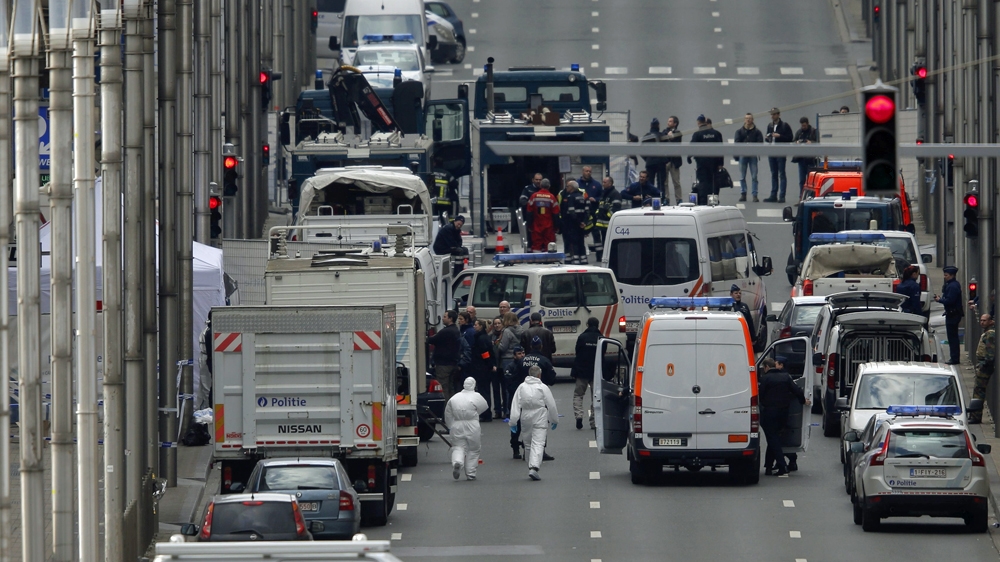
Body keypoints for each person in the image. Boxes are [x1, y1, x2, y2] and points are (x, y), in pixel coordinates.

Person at [758, 356, 807, 477]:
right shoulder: (785, 377)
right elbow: (797, 391)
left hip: (769, 413)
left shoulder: (766, 378)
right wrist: (803, 401)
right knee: (774, 439)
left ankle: (782, 465)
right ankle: (769, 467)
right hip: (783, 413)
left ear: (767, 367)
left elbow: (760, 396)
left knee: (772, 438)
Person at [509, 365, 559, 481]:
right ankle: (534, 467)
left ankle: (530, 464)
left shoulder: (521, 387)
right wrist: (554, 420)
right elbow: (551, 405)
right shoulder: (542, 387)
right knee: (538, 442)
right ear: (539, 375)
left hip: (525, 416)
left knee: (527, 442)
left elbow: (515, 405)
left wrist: (513, 422)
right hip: (540, 415)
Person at [444, 377, 488, 480]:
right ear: (474, 385)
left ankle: (457, 462)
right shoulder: (476, 396)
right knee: (474, 449)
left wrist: (450, 426)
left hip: (457, 424)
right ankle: (471, 473)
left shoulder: (454, 398)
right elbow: (484, 407)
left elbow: (448, 414)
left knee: (458, 447)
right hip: (472, 424)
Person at [572, 317, 601, 430]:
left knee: (578, 395)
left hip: (581, 370)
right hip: (596, 371)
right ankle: (594, 421)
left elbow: (577, 351)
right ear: (598, 325)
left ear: (587, 325)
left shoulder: (582, 337)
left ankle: (579, 416)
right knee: (596, 397)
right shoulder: (601, 338)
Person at [688, 115, 724, 205]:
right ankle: (714, 200)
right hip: (714, 162)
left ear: (698, 122)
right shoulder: (716, 133)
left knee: (703, 182)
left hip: (702, 163)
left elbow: (692, 148)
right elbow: (721, 149)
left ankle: (704, 201)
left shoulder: (697, 134)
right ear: (706, 121)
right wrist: (721, 163)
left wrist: (689, 157)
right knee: (713, 182)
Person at [426, 310, 461, 399]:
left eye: (445, 317)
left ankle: (445, 409)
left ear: (450, 319)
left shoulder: (446, 331)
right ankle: (452, 407)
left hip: (443, 364)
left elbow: (431, 340)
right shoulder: (456, 330)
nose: (442, 318)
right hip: (453, 363)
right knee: (451, 387)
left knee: (443, 387)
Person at [935, 265, 964, 364]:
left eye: (946, 275)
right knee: (952, 337)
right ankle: (954, 357)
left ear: (951, 275)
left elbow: (950, 300)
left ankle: (954, 358)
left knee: (952, 337)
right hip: (952, 313)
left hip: (953, 314)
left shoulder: (953, 286)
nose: (944, 277)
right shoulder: (952, 285)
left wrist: (940, 300)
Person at [763, 108, 794, 203]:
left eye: (774, 114)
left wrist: (779, 136)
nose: (772, 116)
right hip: (772, 152)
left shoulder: (784, 126)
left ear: (778, 115)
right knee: (773, 174)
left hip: (780, 152)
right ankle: (773, 195)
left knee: (782, 174)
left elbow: (790, 138)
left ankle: (782, 196)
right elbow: (769, 137)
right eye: (771, 114)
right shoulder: (770, 125)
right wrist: (767, 138)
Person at [469, 319, 497, 422]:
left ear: (481, 326)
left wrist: (490, 364)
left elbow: (485, 353)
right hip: (483, 367)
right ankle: (486, 412)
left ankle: (486, 413)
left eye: (476, 325)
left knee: (483, 391)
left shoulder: (481, 339)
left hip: (482, 368)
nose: (474, 326)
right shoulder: (484, 337)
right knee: (484, 391)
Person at [970, 314, 995, 424]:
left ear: (991, 321)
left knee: (979, 391)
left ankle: (976, 416)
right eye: (981, 320)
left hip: (985, 368)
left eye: (984, 320)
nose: (982, 322)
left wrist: (983, 364)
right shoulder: (987, 333)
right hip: (984, 365)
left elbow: (991, 353)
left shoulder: (989, 335)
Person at [734, 113, 763, 203]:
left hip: (753, 155)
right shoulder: (739, 131)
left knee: (754, 176)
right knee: (742, 176)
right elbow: (737, 142)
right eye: (747, 118)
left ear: (752, 120)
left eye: (750, 118)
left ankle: (755, 195)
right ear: (744, 120)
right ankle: (743, 193)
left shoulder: (757, 132)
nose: (748, 120)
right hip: (743, 155)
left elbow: (760, 142)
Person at [559, 180, 589, 265]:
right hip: (581, 225)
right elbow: (587, 211)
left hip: (572, 224)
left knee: (573, 242)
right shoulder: (582, 196)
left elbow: (571, 212)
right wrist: (584, 222)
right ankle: (583, 260)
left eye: (568, 186)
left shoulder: (570, 197)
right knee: (581, 242)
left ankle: (575, 260)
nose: (566, 188)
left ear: (572, 187)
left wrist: (578, 222)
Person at [592, 176, 622, 261]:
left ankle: (609, 258)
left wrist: (606, 216)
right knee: (603, 242)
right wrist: (598, 214)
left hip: (609, 224)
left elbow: (615, 209)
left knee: (608, 242)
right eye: (603, 182)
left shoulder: (615, 194)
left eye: (605, 182)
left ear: (610, 183)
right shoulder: (604, 193)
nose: (603, 184)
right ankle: (603, 257)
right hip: (602, 224)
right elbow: (601, 206)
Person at [526, 179, 560, 252]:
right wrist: (556, 226)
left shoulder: (534, 196)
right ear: (549, 186)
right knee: (549, 244)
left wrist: (529, 225)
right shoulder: (552, 197)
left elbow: (529, 212)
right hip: (549, 226)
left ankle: (537, 259)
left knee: (536, 244)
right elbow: (556, 213)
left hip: (536, 225)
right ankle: (548, 260)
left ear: (540, 185)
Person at [792, 117, 819, 198]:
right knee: (802, 180)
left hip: (811, 159)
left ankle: (810, 197)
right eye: (802, 126)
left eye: (804, 125)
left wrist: (811, 143)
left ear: (807, 123)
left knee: (811, 180)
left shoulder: (814, 131)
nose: (803, 127)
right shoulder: (799, 132)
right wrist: (796, 142)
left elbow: (819, 142)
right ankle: (801, 197)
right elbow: (793, 141)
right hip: (801, 159)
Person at [642, 118, 668, 199]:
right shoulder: (662, 136)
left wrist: (647, 159)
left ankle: (650, 198)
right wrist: (665, 159)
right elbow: (668, 149)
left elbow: (641, 150)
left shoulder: (646, 136)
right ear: (658, 126)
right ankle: (662, 199)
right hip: (661, 162)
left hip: (650, 162)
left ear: (650, 126)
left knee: (650, 182)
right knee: (661, 182)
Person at [662, 116, 684, 205]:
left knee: (676, 182)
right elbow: (662, 140)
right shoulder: (664, 132)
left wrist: (671, 137)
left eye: (670, 121)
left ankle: (679, 199)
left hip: (674, 161)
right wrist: (668, 137)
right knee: (665, 182)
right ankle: (666, 199)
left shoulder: (678, 133)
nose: (668, 123)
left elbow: (676, 141)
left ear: (675, 123)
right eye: (668, 121)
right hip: (666, 160)